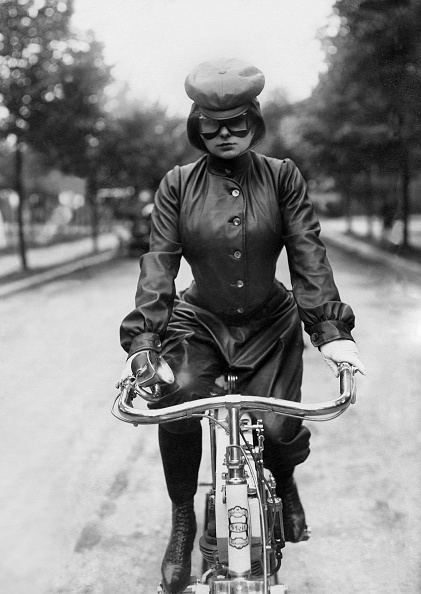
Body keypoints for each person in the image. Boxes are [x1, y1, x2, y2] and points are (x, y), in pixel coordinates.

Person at [119, 58, 366, 594]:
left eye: (238, 123)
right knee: (176, 402)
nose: (226, 134)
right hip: (198, 323)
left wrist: (332, 333)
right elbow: (158, 262)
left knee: (279, 427)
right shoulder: (177, 185)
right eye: (213, 126)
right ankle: (183, 522)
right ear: (197, 126)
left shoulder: (282, 177)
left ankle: (286, 481)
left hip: (271, 324)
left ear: (254, 122)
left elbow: (308, 255)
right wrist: (144, 343)